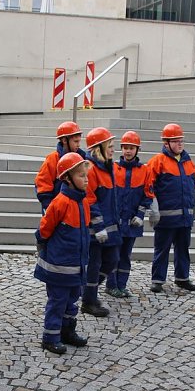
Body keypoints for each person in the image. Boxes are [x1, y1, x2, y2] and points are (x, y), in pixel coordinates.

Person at [35, 152, 91, 354]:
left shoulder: (83, 201)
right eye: (81, 176)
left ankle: (67, 331)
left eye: (86, 176)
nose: (86, 180)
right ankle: (50, 336)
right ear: (67, 178)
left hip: (76, 265)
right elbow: (45, 229)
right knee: (58, 301)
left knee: (72, 300)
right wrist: (42, 245)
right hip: (59, 266)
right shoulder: (60, 202)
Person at [147, 123, 195, 293]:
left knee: (183, 248)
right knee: (162, 249)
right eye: (176, 141)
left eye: (181, 141)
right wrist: (154, 209)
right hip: (165, 218)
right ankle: (157, 280)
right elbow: (149, 186)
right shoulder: (157, 161)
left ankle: (182, 278)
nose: (180, 144)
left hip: (184, 217)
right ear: (166, 143)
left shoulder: (188, 162)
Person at [106, 131, 152, 298]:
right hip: (115, 221)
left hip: (132, 222)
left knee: (125, 255)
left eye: (131, 148)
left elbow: (148, 195)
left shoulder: (145, 171)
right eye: (125, 148)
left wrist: (140, 215)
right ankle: (111, 285)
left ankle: (122, 285)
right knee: (113, 255)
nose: (128, 151)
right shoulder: (113, 168)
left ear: (137, 150)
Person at [81, 127, 121, 317]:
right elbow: (89, 199)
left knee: (111, 261)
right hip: (96, 230)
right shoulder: (91, 169)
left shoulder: (107, 167)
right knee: (95, 265)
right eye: (110, 146)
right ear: (99, 148)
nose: (114, 150)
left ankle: (89, 292)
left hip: (109, 227)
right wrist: (98, 227)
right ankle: (89, 301)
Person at [34, 121, 85, 213]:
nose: (78, 145)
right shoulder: (53, 159)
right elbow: (43, 184)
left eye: (79, 141)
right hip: (56, 208)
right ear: (64, 140)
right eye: (75, 141)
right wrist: (49, 207)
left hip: (75, 209)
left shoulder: (82, 159)